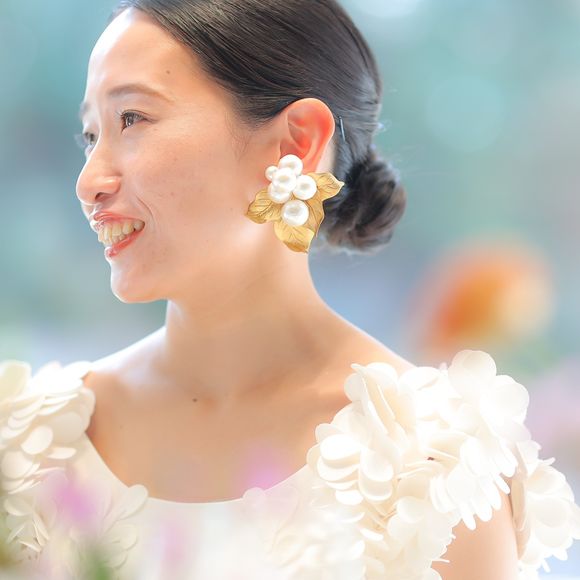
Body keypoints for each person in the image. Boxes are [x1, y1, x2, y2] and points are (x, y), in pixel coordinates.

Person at [1, 1, 579, 579]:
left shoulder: (435, 468)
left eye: (131, 118)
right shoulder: (26, 445)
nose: (88, 182)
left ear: (295, 144)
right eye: (91, 135)